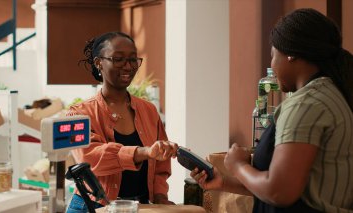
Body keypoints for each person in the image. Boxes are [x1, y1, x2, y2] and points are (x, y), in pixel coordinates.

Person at [191, 8, 353, 213]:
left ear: (291, 54)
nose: (272, 65)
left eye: (273, 55)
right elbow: (295, 186)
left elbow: (279, 192)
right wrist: (225, 182)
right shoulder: (331, 94)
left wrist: (238, 166)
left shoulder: (305, 105)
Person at [66, 32, 178, 212]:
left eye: (133, 60)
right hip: (92, 206)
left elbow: (160, 167)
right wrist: (144, 152)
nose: (128, 66)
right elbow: (89, 157)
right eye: (118, 59)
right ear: (98, 63)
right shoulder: (78, 113)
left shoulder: (148, 110)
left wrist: (160, 197)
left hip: (139, 206)